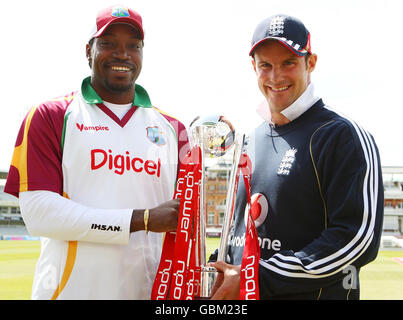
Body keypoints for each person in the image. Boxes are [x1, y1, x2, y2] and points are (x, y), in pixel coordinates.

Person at [4, 5, 188, 300]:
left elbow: (184, 218)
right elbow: (39, 214)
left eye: (133, 46)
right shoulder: (51, 115)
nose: (122, 54)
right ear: (88, 50)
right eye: (108, 44)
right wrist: (140, 219)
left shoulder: (174, 128)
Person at [209, 14, 384, 300]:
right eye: (266, 65)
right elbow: (238, 232)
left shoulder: (342, 136)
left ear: (310, 63)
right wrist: (217, 266)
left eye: (288, 63)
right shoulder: (250, 140)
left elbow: (356, 240)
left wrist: (256, 277)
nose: (276, 76)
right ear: (254, 67)